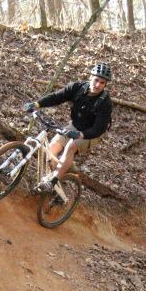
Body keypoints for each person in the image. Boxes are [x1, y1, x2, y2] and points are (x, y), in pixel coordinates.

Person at [24, 62, 114, 194]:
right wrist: (37, 104)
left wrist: (80, 135)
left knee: (71, 147)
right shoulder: (77, 87)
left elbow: (98, 129)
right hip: (75, 125)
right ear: (90, 77)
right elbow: (57, 97)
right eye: (96, 80)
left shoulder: (105, 103)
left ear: (105, 84)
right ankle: (59, 175)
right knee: (52, 148)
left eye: (102, 83)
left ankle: (52, 182)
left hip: (91, 133)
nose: (98, 85)